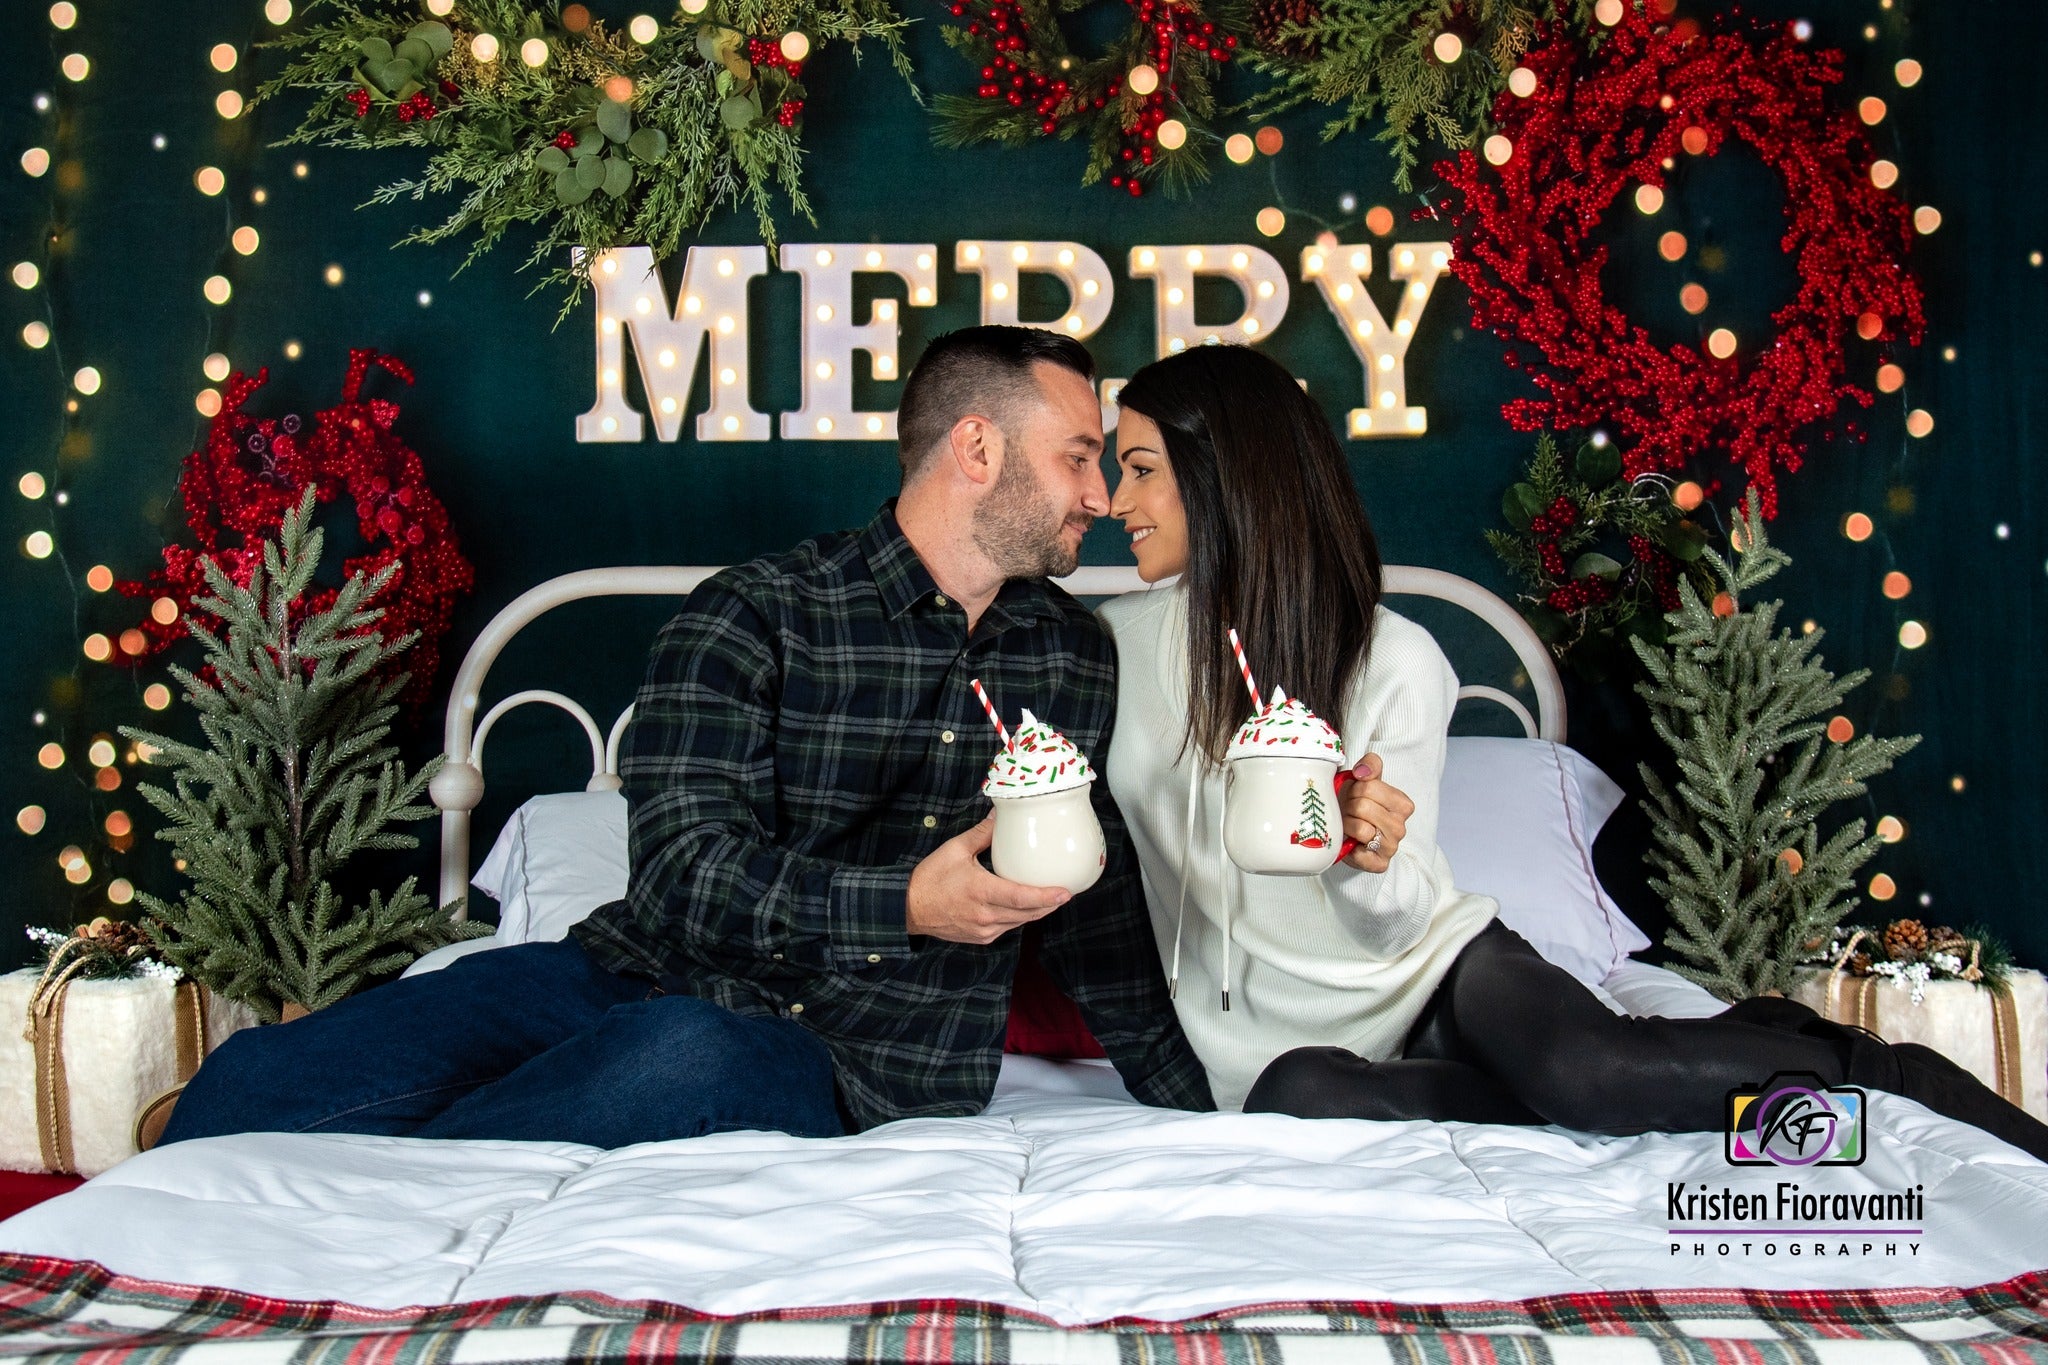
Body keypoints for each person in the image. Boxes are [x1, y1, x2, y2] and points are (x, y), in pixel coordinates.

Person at [162, 325, 1213, 1148]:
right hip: (628, 971)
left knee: (687, 1056)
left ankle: (396, 1187)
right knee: (260, 1079)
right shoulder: (755, 612)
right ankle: (305, 1149)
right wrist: (902, 901)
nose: (1099, 494)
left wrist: (1208, 1111)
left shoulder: (1070, 654)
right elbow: (680, 874)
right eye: (1080, 456)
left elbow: (1095, 916)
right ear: (976, 447)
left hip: (847, 1058)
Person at [1097, 343, 2048, 1162]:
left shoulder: (1391, 658)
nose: (1113, 500)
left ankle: (1886, 1080)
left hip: (1436, 973)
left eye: (1140, 469)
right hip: (1268, 1047)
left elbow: (1395, 925)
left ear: (1225, 474)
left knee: (1592, 1073)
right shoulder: (1111, 650)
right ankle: (1699, 1069)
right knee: (1296, 1097)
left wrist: (1365, 857)